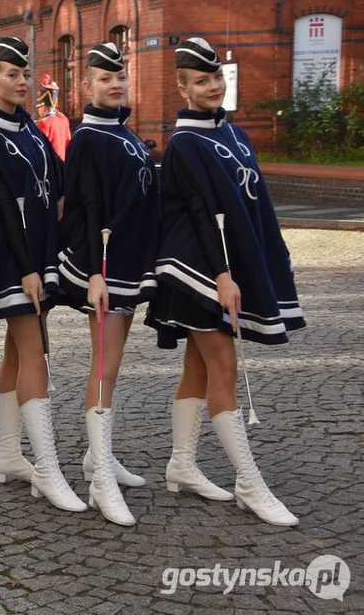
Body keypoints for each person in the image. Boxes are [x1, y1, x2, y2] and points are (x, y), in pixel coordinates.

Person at [146, 38, 304, 526]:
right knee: (225, 369)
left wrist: (271, 258)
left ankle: (182, 464)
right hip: (196, 272)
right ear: (182, 87)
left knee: (198, 370)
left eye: (216, 78)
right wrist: (222, 277)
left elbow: (254, 206)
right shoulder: (187, 143)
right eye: (200, 82)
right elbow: (199, 213)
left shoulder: (233, 133)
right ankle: (249, 483)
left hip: (223, 268)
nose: (211, 87)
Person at [0, 36, 81, 512]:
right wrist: (29, 269)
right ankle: (48, 471)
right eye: (10, 74)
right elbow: (2, 208)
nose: (22, 82)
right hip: (13, 261)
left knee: (16, 354)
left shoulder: (29, 130)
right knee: (36, 357)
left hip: (36, 253)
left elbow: (57, 184)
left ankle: (7, 454)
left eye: (25, 74)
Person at [57, 42, 158, 525]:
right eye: (104, 78)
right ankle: (98, 482)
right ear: (87, 85)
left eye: (120, 76)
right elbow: (82, 207)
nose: (115, 84)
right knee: (103, 365)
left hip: (130, 265)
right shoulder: (89, 138)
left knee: (112, 368)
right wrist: (95, 273)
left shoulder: (124, 131)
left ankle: (100, 458)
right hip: (106, 269)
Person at [36, 74, 71, 161]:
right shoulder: (63, 119)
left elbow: (39, 149)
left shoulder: (43, 123)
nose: (38, 110)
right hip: (63, 163)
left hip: (51, 165)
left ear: (43, 107)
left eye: (39, 107)